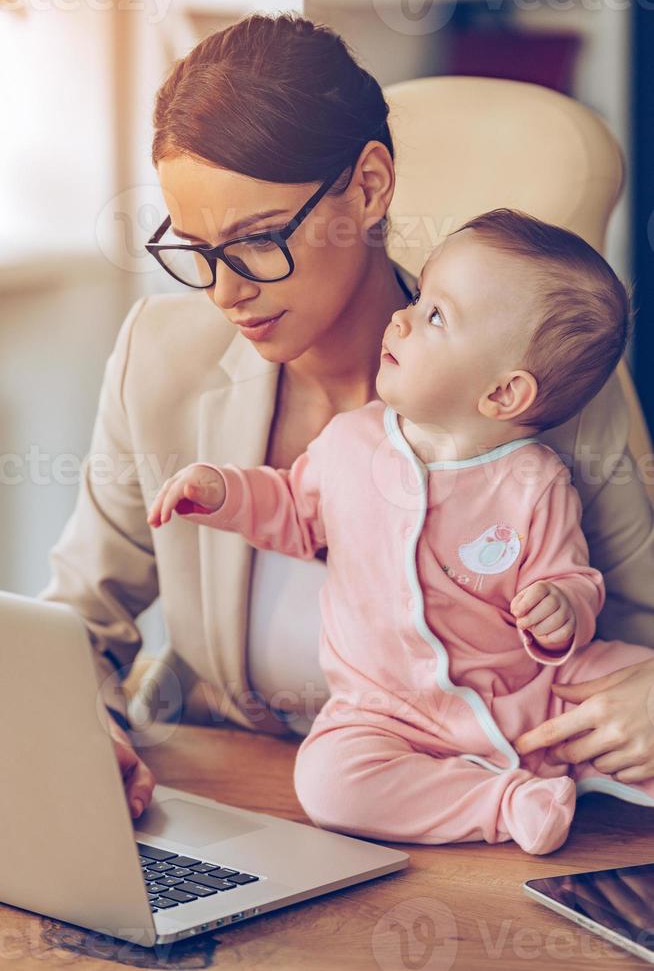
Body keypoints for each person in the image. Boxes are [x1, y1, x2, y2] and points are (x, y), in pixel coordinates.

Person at [38, 14, 654, 826]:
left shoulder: (530, 378)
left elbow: (639, 623)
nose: (224, 293)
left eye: (258, 241)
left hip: (492, 837)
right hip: (231, 807)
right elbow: (79, 625)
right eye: (193, 248)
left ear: (368, 186)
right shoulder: (158, 358)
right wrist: (85, 731)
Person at [146, 209, 654, 854]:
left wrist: (564, 607)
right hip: (390, 713)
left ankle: (579, 768)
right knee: (330, 784)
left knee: (634, 688)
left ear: (504, 395)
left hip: (528, 696)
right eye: (417, 300)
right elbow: (295, 512)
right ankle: (506, 803)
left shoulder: (534, 481)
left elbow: (570, 577)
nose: (401, 318)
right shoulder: (351, 442)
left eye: (435, 316)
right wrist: (223, 493)